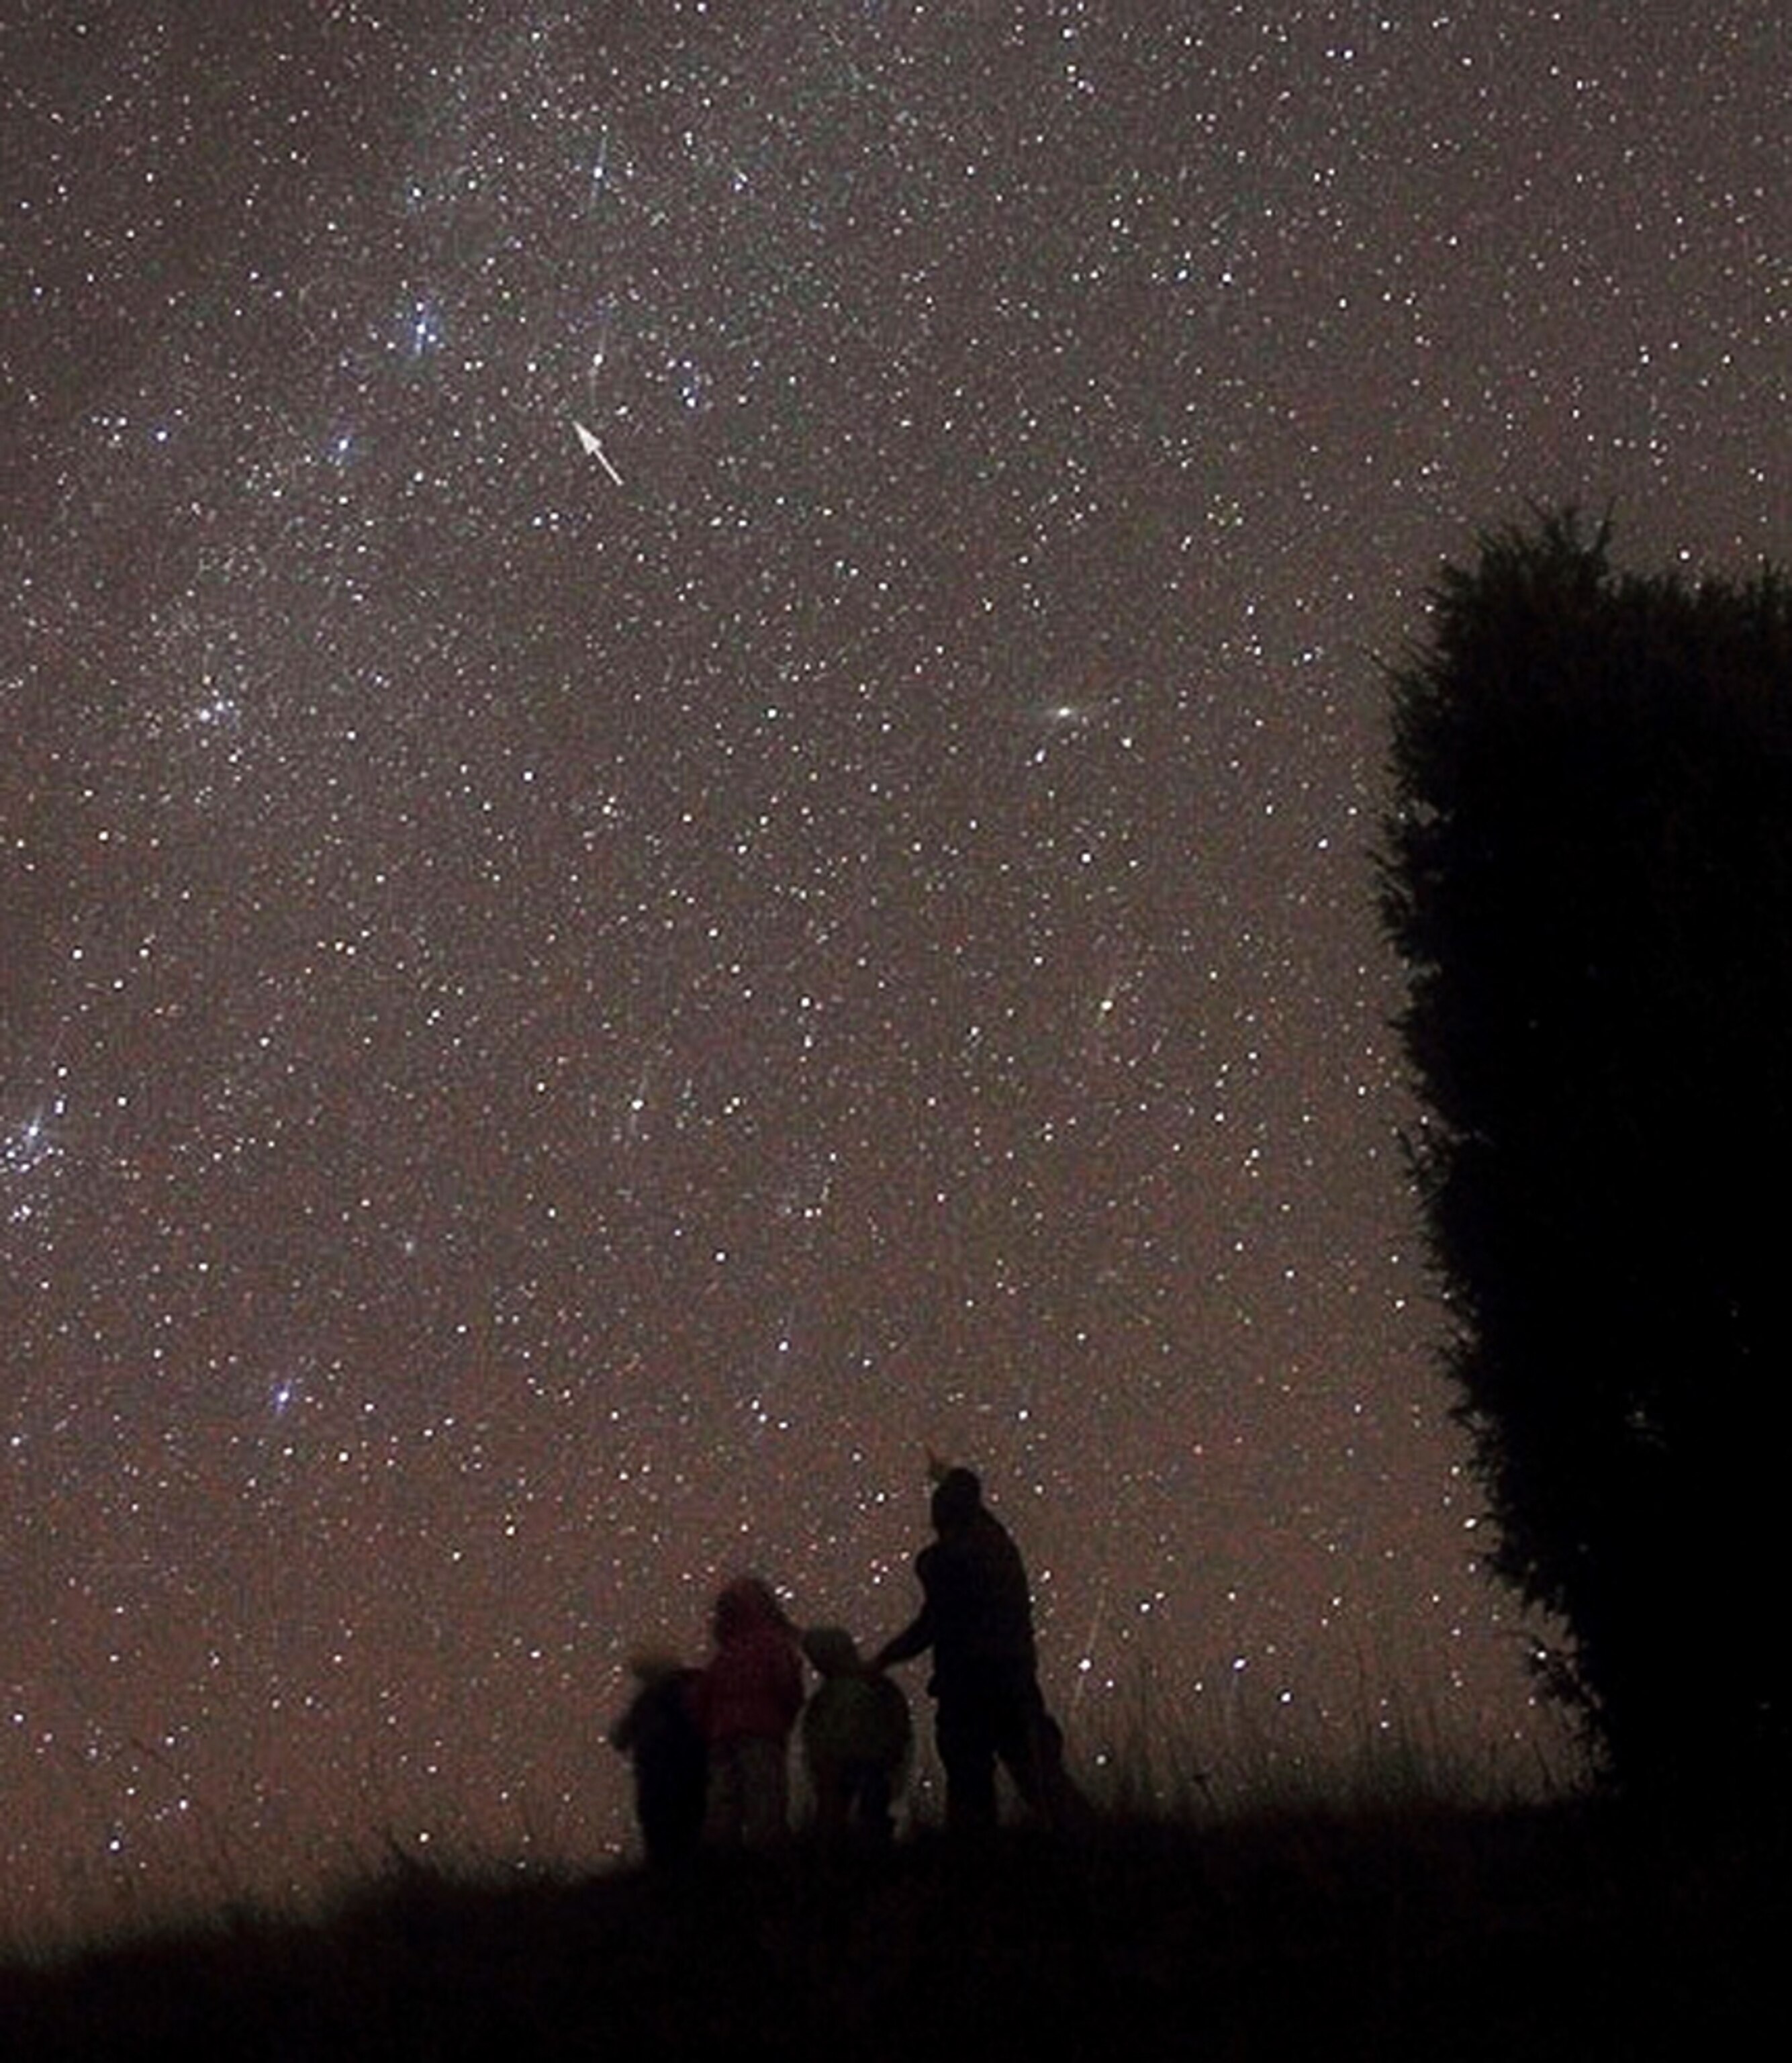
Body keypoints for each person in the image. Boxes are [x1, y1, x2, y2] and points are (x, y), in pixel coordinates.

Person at [873, 1463, 1081, 1833]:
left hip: (966, 1687)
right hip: (1013, 1679)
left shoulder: (943, 1562)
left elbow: (930, 1624)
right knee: (1039, 1775)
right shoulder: (1000, 1549)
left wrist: (884, 1659)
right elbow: (983, 1518)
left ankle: (973, 1865)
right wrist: (952, 1477)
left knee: (970, 1783)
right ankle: (1085, 1840)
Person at [691, 1573, 806, 1847]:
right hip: (762, 1733)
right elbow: (787, 1684)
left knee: (723, 1800)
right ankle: (767, 1858)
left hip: (721, 1736)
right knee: (764, 1795)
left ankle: (723, 1859)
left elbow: (701, 1699)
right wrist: (787, 1715)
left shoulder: (724, 1655)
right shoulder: (774, 1646)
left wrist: (706, 1729)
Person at [799, 1625, 912, 1847]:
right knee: (854, 1813)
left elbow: (814, 1730)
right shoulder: (874, 1684)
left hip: (863, 1761)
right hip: (863, 1761)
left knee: (850, 1813)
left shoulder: (831, 1694)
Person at [608, 1648, 707, 1868]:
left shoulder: (649, 1701)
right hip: (691, 1770)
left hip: (659, 1774)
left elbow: (619, 1738)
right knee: (690, 1824)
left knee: (661, 1827)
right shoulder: (694, 1687)